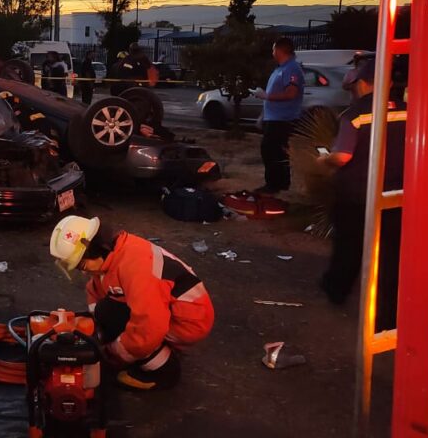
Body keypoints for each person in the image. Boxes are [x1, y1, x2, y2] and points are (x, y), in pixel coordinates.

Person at [49, 215, 214, 390]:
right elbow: (96, 290)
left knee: (135, 329)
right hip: (166, 309)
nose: (83, 272)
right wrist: (96, 328)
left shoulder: (137, 268)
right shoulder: (113, 255)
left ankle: (163, 371)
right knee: (107, 312)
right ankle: (148, 350)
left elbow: (150, 326)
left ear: (96, 249)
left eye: (81, 266)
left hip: (188, 322)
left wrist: (114, 352)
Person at [318, 60, 404, 331]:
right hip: (396, 196)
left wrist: (324, 161)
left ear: (364, 83)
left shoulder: (354, 114)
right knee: (390, 257)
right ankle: (386, 318)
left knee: (349, 246)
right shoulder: (407, 110)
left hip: (356, 196)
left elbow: (343, 156)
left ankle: (337, 289)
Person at [253, 37, 305, 195]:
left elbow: (291, 93)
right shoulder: (280, 69)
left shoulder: (292, 69)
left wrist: (266, 96)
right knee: (273, 151)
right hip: (273, 118)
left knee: (271, 151)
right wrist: (263, 114)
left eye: (274, 49)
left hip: (283, 119)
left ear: (281, 50)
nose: (272, 52)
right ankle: (279, 183)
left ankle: (275, 185)